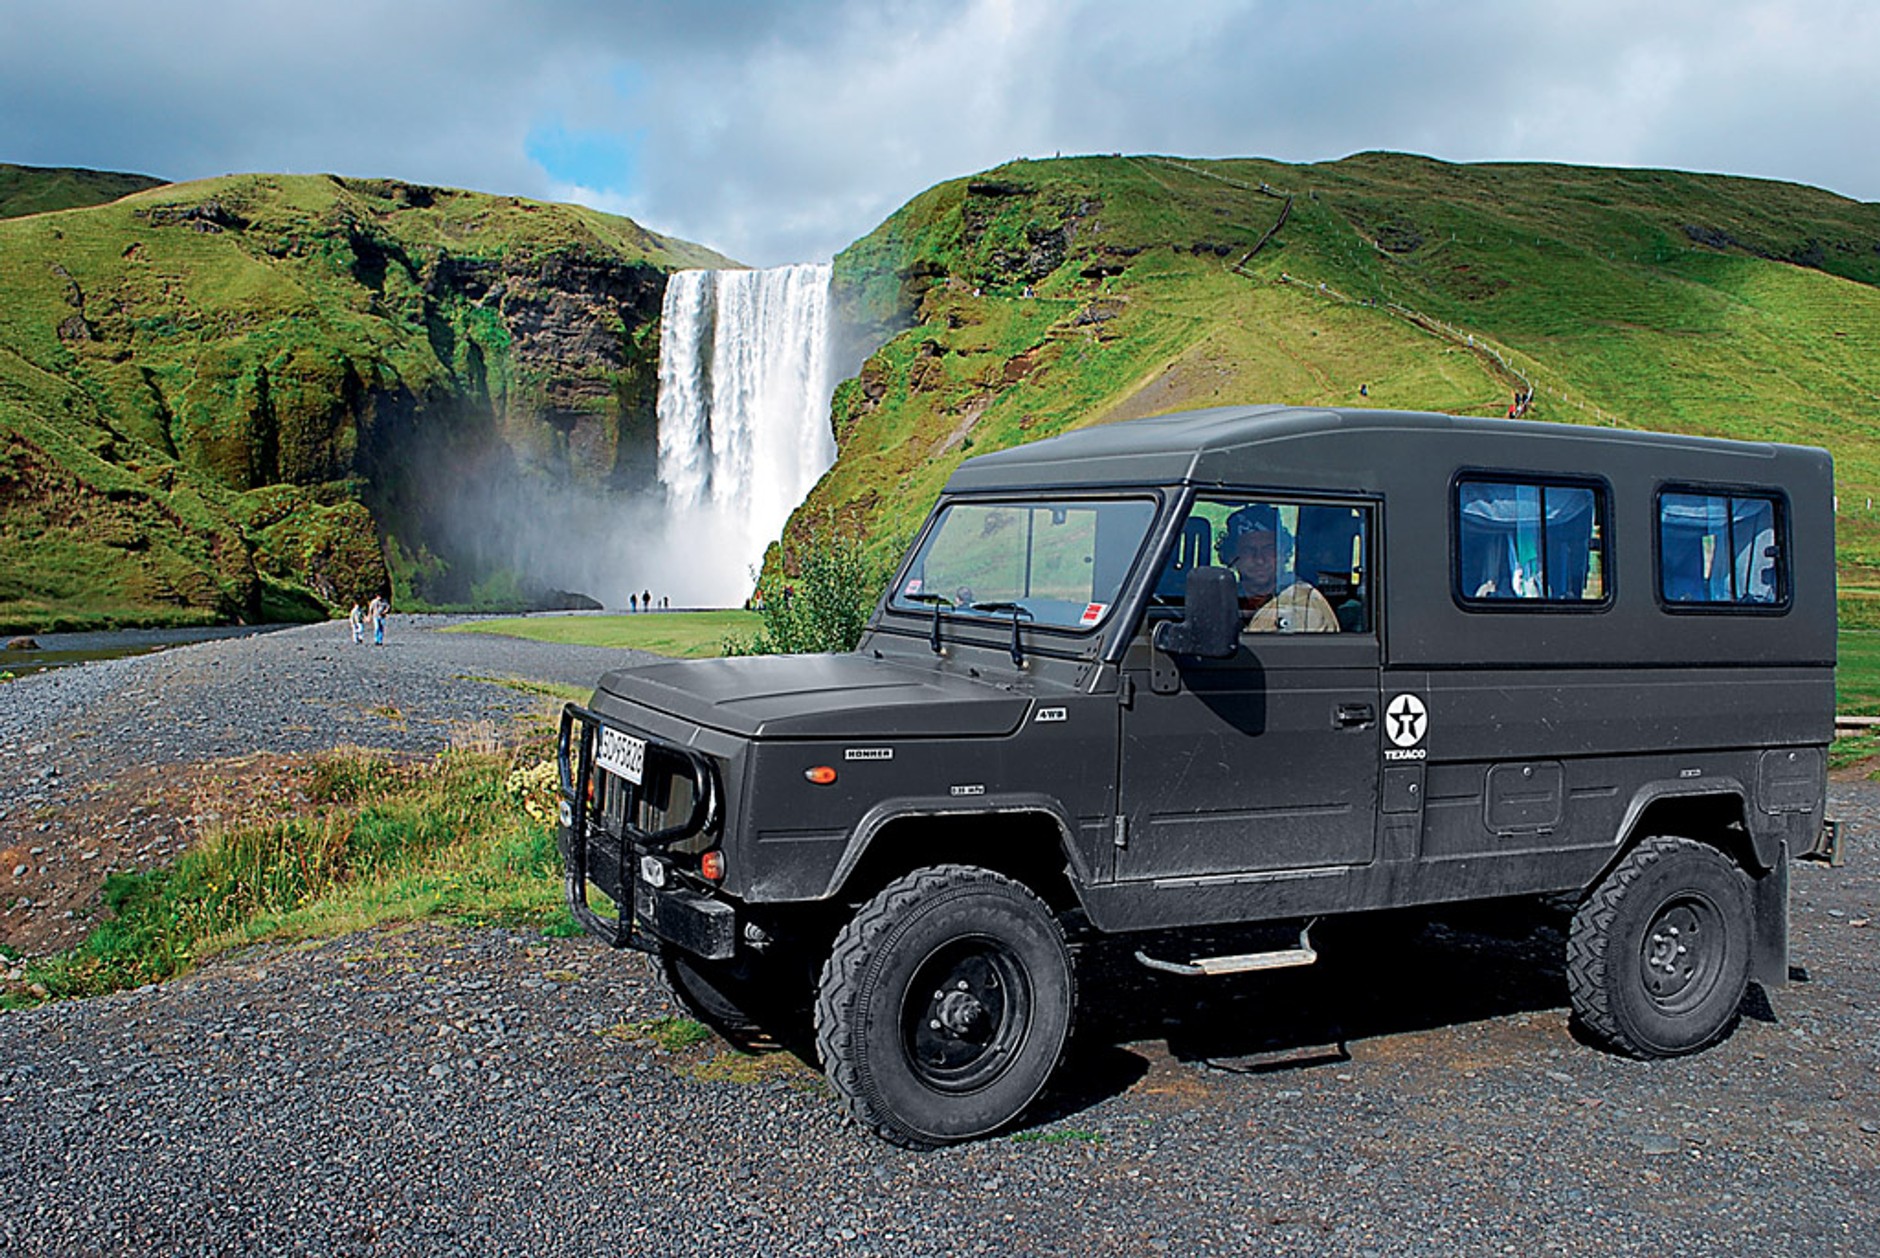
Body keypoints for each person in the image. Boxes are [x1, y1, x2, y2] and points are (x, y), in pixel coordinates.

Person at [1220, 505, 1338, 633]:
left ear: (1284, 553)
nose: (1259, 559)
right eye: (1248, 550)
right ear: (1232, 556)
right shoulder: (1221, 600)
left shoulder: (1306, 601)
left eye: (1269, 549)